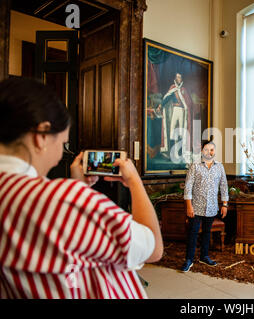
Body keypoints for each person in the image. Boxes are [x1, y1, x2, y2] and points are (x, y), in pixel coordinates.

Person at [0, 77, 163, 299]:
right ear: (41, 136)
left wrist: (76, 187)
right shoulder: (68, 200)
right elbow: (153, 248)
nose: (60, 156)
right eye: (63, 143)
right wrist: (134, 181)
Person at [181, 140, 229, 272]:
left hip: (212, 207)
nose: (210, 152)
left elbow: (224, 186)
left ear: (214, 151)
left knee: (207, 233)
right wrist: (189, 206)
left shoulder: (220, 167)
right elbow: (188, 187)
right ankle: (189, 259)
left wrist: (225, 204)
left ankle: (204, 256)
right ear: (202, 151)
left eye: (212, 149)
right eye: (207, 149)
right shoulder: (195, 166)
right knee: (193, 233)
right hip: (196, 207)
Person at [162, 73, 193, 157]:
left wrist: (187, 107)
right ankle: (174, 152)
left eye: (180, 77)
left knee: (181, 131)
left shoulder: (184, 89)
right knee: (172, 130)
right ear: (175, 78)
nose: (178, 78)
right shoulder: (173, 88)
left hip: (182, 111)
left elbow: (189, 102)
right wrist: (161, 105)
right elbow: (167, 98)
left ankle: (182, 152)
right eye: (177, 77)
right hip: (175, 110)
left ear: (181, 79)